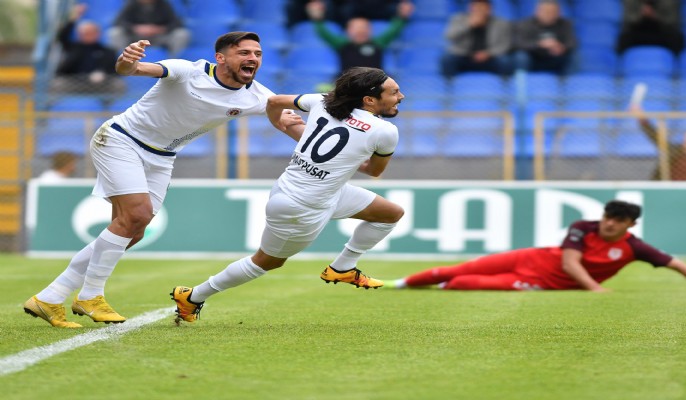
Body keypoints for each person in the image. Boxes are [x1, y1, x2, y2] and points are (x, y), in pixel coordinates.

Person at [22, 32, 306, 328]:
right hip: (122, 140)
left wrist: (320, 146)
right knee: (137, 214)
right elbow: (133, 70)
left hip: (162, 157)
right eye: (244, 52)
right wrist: (127, 61)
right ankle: (90, 295)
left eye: (257, 54)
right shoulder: (187, 71)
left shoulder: (258, 95)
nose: (253, 59)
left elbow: (286, 120)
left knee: (133, 231)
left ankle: (50, 297)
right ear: (221, 58)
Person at [171, 67, 405, 324]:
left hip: (312, 190)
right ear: (369, 100)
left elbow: (274, 101)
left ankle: (342, 268)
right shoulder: (384, 131)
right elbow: (373, 170)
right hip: (303, 207)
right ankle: (192, 296)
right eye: (394, 92)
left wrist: (281, 125)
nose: (401, 96)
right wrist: (344, 157)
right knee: (266, 262)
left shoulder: (322, 102)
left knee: (390, 213)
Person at [389, 200, 686, 293]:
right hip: (532, 258)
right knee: (457, 269)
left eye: (618, 221)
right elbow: (571, 263)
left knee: (465, 284)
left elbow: (677, 264)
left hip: (540, 282)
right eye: (608, 217)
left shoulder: (636, 248)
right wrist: (594, 288)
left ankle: (436, 286)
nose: (609, 223)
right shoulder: (582, 228)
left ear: (630, 226)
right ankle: (398, 284)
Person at [306, 0, 414, 75]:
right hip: (347, 85)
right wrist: (317, 18)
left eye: (364, 27)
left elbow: (394, 30)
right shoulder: (342, 44)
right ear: (348, 31)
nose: (360, 31)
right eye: (356, 28)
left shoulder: (378, 43)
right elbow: (324, 32)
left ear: (370, 30)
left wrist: (402, 16)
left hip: (375, 84)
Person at [50, 3, 125, 95]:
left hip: (100, 84)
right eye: (83, 33)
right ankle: (54, 107)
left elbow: (116, 71)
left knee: (118, 85)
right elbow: (62, 36)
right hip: (75, 82)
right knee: (57, 84)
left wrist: (103, 75)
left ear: (98, 34)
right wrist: (74, 17)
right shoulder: (73, 47)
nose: (87, 36)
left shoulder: (108, 51)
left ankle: (109, 108)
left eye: (90, 33)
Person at [631, 104, 686, 181]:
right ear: (684, 142)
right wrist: (641, 118)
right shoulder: (673, 150)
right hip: (671, 190)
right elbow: (655, 136)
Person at [440, 0, 514, 79]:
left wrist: (488, 53)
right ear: (470, 8)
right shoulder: (458, 19)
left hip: (490, 58)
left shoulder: (501, 23)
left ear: (489, 9)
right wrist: (469, 25)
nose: (479, 10)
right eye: (476, 7)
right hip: (464, 56)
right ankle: (448, 86)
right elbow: (449, 36)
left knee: (505, 61)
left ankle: (505, 87)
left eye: (482, 7)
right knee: (447, 59)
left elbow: (505, 44)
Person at [107, 0, 191, 57]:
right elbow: (118, 22)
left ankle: (173, 63)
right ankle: (123, 59)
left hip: (159, 37)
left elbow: (176, 23)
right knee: (114, 32)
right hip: (136, 38)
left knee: (182, 34)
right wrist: (135, 28)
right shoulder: (131, 4)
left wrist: (160, 29)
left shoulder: (163, 4)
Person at [513, 0, 576, 75]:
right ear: (537, 11)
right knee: (520, 56)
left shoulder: (565, 24)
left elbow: (572, 42)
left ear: (558, 13)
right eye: (546, 12)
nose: (549, 15)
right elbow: (519, 43)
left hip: (556, 59)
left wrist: (561, 47)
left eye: (552, 12)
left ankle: (568, 83)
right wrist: (540, 44)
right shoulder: (525, 24)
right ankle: (522, 83)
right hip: (534, 59)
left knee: (574, 56)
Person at [616, 0, 685, 56]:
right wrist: (641, 15)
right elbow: (628, 21)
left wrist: (655, 16)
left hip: (661, 31)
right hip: (638, 31)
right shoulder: (631, 1)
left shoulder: (669, 2)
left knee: (677, 38)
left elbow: (672, 22)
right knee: (624, 39)